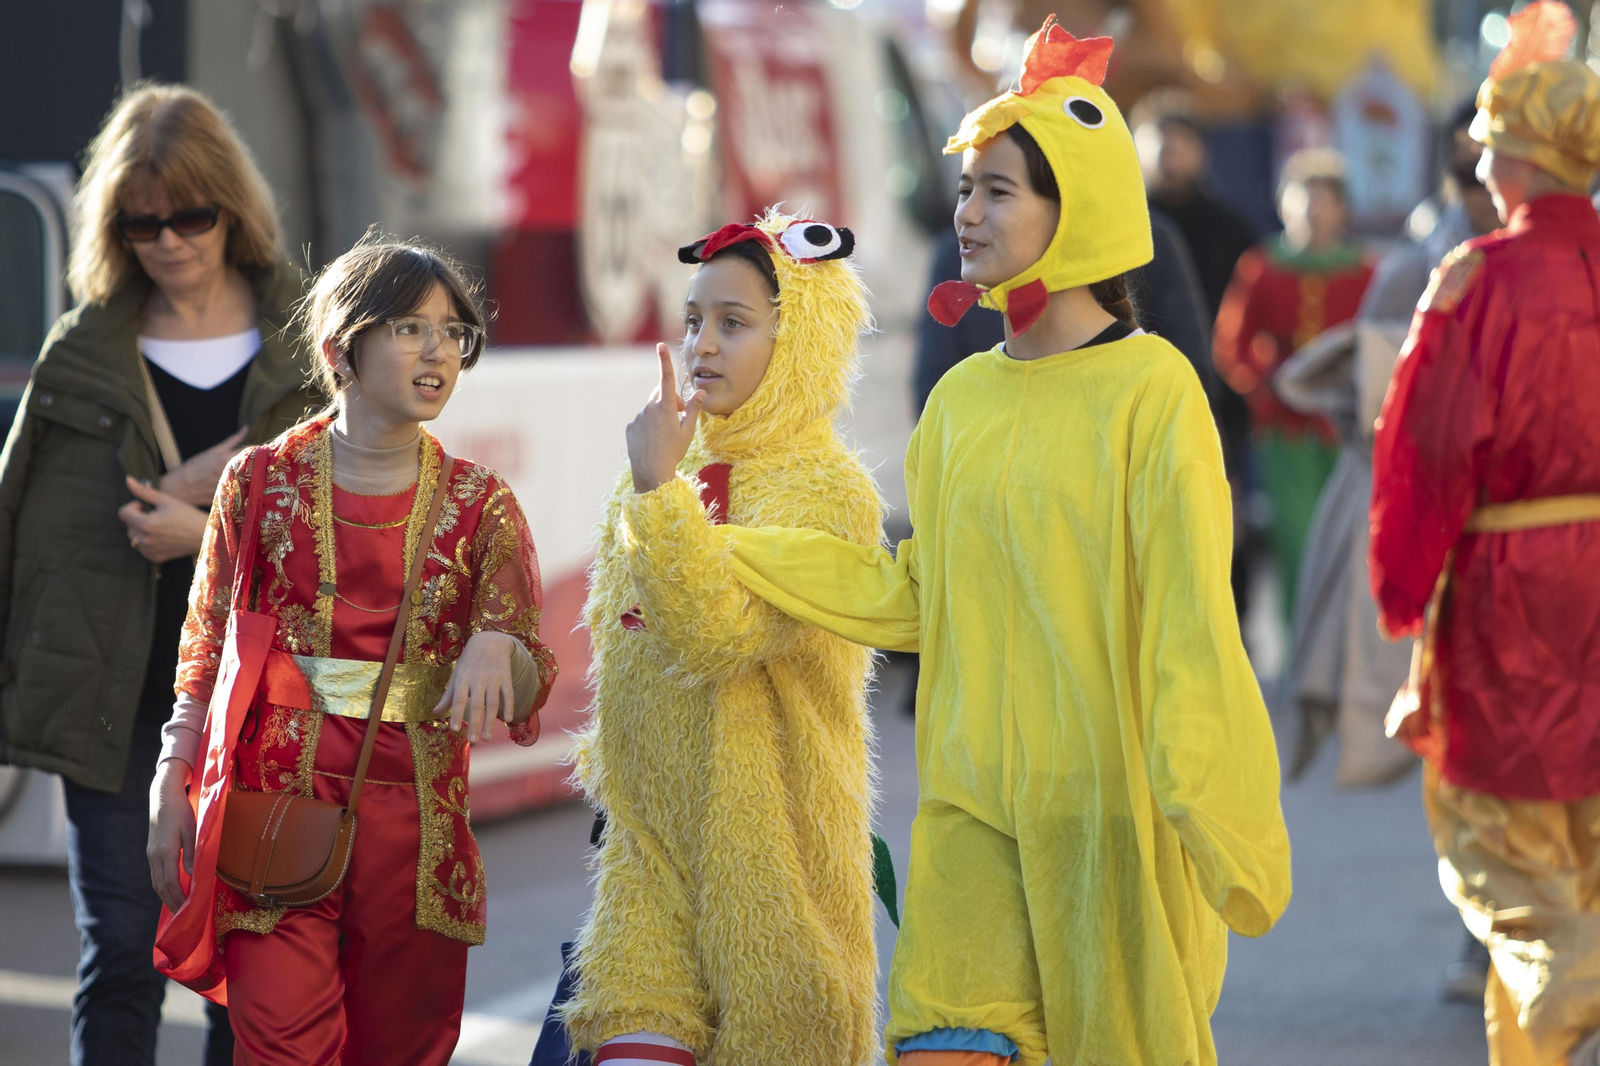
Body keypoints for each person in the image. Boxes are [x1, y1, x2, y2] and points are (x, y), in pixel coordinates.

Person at [633, 21, 1291, 1065]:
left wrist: (1214, 802)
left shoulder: (1154, 390)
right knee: (944, 1041)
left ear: (1075, 209)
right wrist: (726, 546)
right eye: (966, 187)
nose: (967, 212)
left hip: (1105, 825)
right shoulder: (960, 400)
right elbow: (913, 592)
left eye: (998, 190)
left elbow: (1187, 617)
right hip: (968, 819)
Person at [146, 235, 558, 1066]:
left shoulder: (485, 506)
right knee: (282, 1051)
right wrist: (172, 776)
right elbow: (208, 646)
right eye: (410, 328)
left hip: (418, 836)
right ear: (341, 349)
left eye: (453, 331)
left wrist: (495, 646)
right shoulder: (257, 483)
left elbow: (530, 678)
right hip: (274, 811)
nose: (439, 349)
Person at [0, 83, 320, 1066]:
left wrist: (205, 526)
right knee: (124, 958)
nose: (170, 240)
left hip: (260, 707)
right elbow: (19, 522)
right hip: (115, 705)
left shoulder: (308, 347)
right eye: (143, 223)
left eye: (192, 214)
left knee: (243, 970)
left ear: (232, 207)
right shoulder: (84, 350)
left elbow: (350, 523)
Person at [556, 212, 884, 1066]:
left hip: (776, 876)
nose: (701, 344)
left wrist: (658, 489)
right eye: (693, 319)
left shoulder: (831, 491)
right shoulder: (661, 462)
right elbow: (622, 654)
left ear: (801, 339)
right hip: (649, 866)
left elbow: (715, 639)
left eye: (733, 323)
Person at [1369, 4, 1600, 1062]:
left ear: (1518, 157)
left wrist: (1402, 590)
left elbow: (1423, 453)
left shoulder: (1476, 282)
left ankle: (1568, 989)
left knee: (1503, 854)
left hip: (1511, 589)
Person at [1214, 147, 1373, 621]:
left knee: (1349, 542)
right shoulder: (1262, 267)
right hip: (1284, 431)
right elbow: (1231, 345)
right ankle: (1297, 653)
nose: (1313, 210)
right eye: (1304, 198)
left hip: (1346, 428)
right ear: (1284, 204)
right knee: (1295, 539)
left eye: (1324, 199)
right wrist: (1267, 385)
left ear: (1343, 208)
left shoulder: (1365, 272)